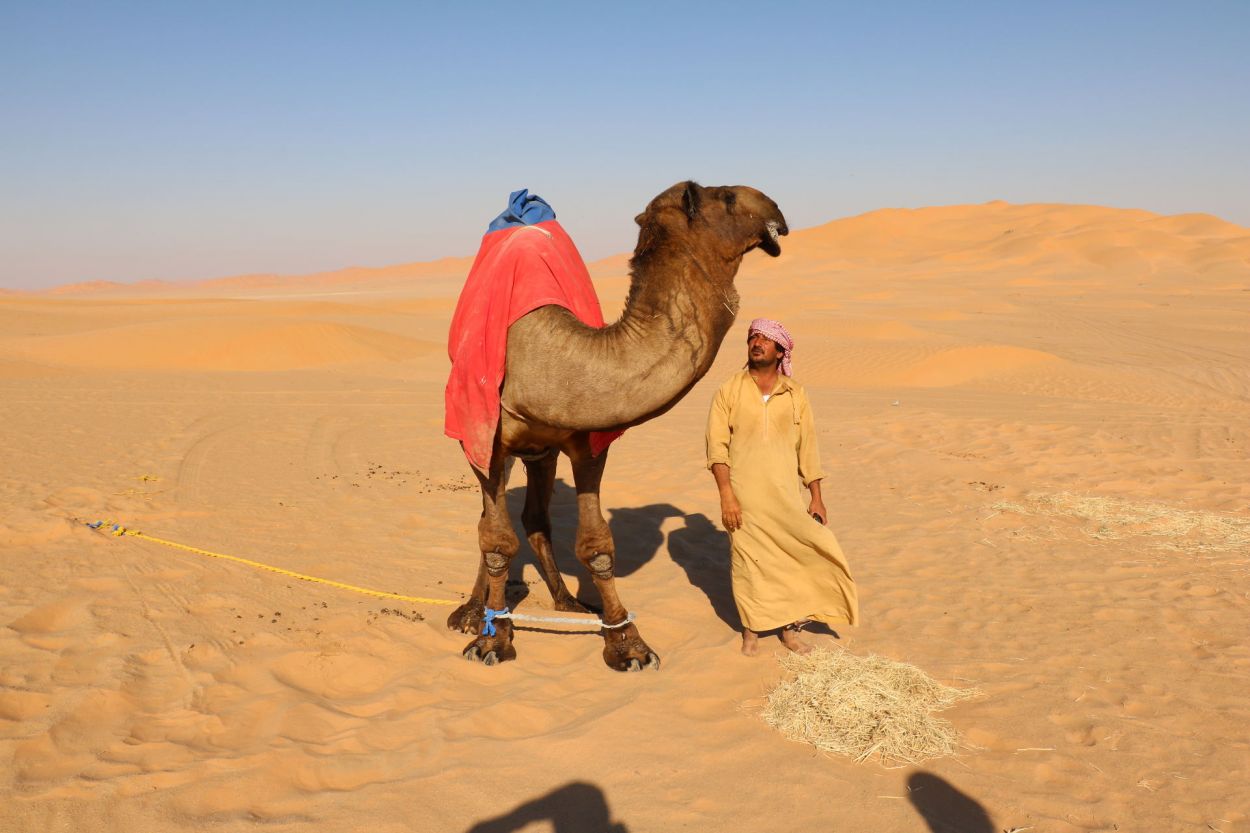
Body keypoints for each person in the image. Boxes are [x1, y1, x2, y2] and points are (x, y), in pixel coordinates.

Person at [705, 318, 858, 655]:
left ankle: (790, 630)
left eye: (765, 339)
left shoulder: (795, 393)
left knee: (794, 557)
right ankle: (752, 629)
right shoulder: (729, 390)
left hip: (786, 496)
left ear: (780, 350)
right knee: (748, 563)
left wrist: (816, 496)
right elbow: (716, 449)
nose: (757, 343)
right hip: (744, 498)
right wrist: (726, 495)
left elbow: (808, 447)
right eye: (753, 337)